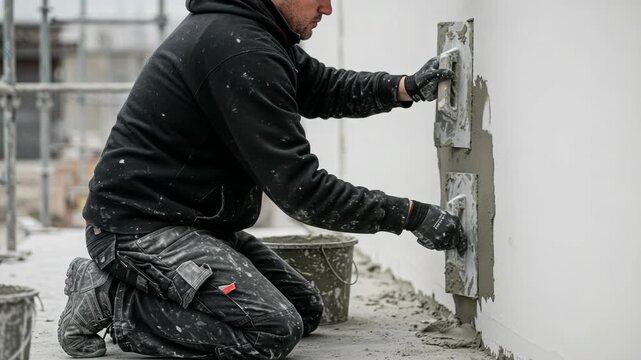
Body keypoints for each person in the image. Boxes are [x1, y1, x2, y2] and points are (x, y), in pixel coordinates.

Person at [57, 0, 466, 359]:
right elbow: (303, 192)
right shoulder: (241, 51)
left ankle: (129, 289)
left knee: (305, 310)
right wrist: (410, 216)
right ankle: (113, 299)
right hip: (137, 228)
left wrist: (403, 88)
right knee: (271, 331)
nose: (327, 8)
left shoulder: (258, 33)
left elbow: (320, 88)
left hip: (194, 220)